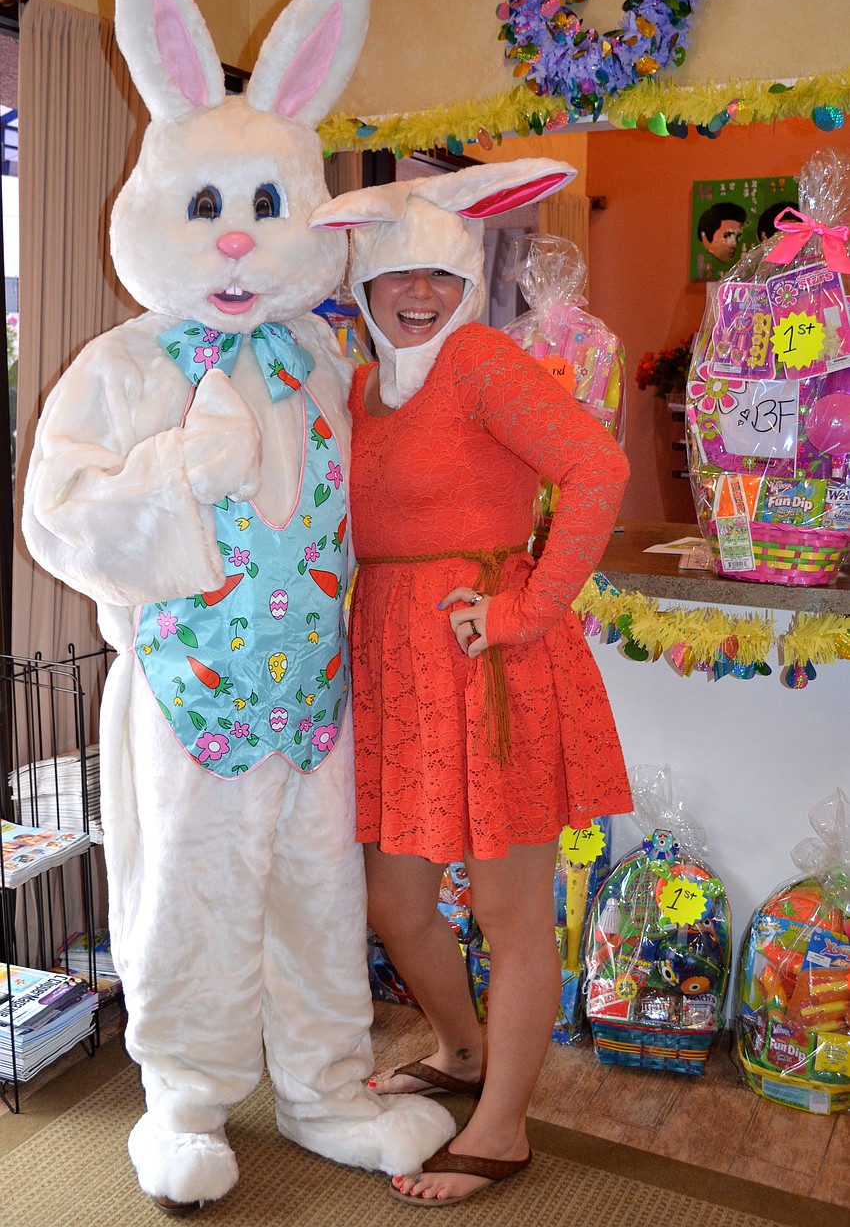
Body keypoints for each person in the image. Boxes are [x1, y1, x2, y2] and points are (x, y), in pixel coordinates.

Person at [310, 159, 631, 1207]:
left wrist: (523, 610)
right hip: (395, 663)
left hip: (495, 662)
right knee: (395, 902)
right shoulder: (360, 386)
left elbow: (598, 468)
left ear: (469, 279)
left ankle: (502, 1126)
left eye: (440, 274)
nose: (419, 292)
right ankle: (460, 1050)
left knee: (507, 908)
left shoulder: (485, 360)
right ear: (362, 285)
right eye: (396, 275)